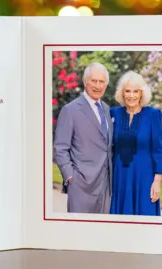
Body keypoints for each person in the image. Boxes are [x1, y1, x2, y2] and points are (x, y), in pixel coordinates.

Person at [53, 62, 113, 214]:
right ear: (85, 82)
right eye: (94, 81)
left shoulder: (107, 109)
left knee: (102, 233)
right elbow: (60, 147)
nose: (98, 85)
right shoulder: (70, 110)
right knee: (79, 233)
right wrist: (70, 177)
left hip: (105, 187)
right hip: (81, 186)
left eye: (101, 82)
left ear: (106, 84)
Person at [109, 70, 162, 216]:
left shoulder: (153, 115)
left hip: (144, 179)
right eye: (127, 91)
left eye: (136, 91)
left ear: (142, 94)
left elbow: (158, 149)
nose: (131, 95)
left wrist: (157, 181)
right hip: (120, 177)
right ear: (122, 93)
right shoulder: (114, 113)